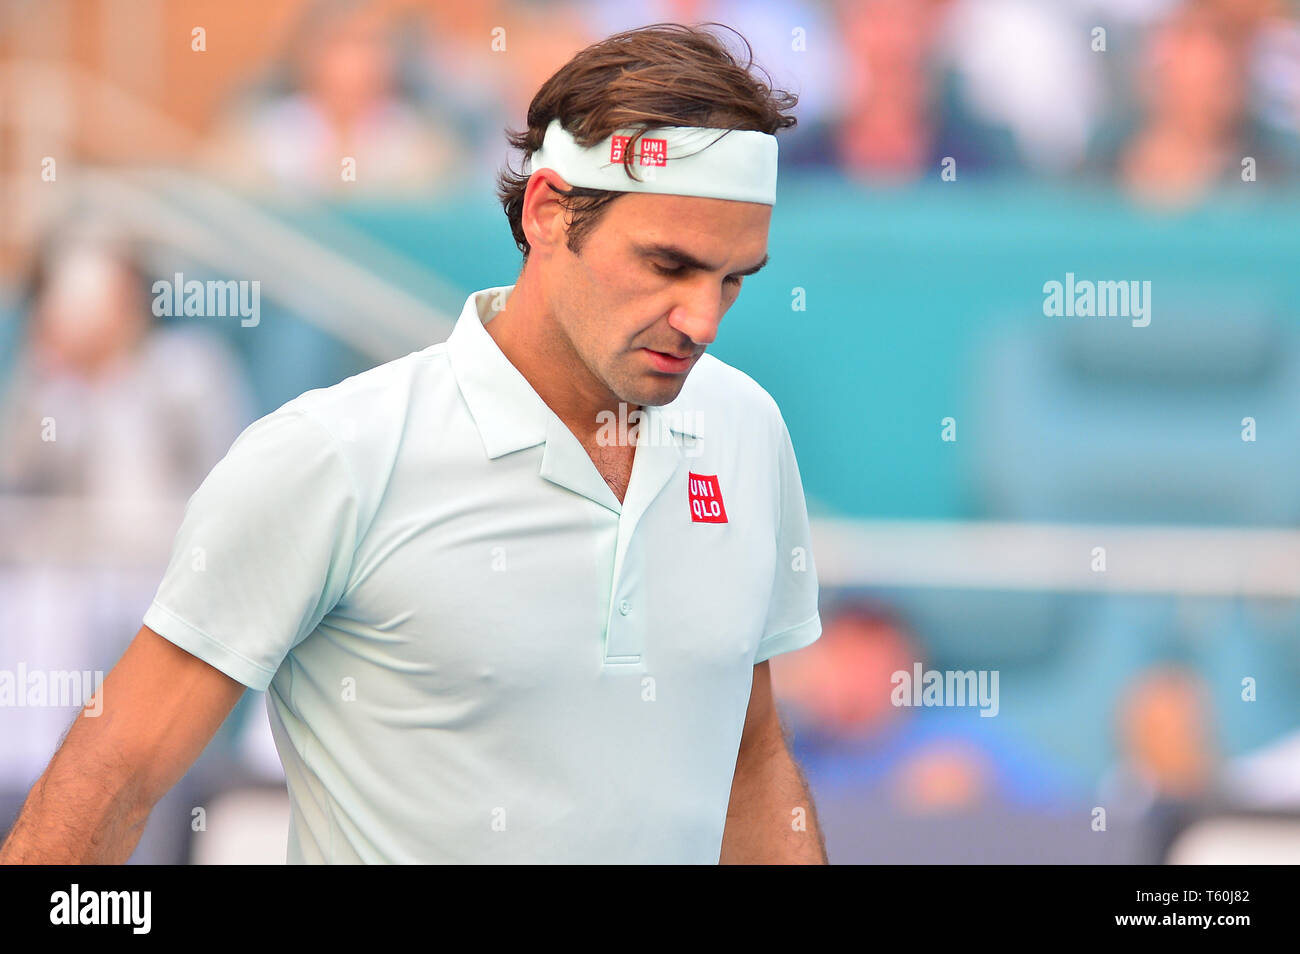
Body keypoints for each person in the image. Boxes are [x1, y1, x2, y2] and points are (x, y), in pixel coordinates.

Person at [0, 22, 826, 865]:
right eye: (668, 266)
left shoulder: (747, 429)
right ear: (548, 213)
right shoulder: (330, 456)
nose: (704, 320)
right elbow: (108, 784)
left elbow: (750, 758)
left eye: (732, 280)